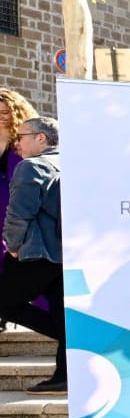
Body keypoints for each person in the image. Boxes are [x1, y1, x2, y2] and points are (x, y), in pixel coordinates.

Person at [1, 117, 63, 394]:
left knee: (4, 302)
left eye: (22, 136)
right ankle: (64, 376)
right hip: (65, 255)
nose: (18, 143)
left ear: (41, 138)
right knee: (62, 314)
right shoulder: (70, 163)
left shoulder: (32, 166)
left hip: (37, 254)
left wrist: (12, 246)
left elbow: (18, 214)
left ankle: (75, 340)